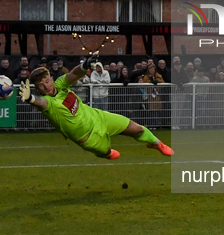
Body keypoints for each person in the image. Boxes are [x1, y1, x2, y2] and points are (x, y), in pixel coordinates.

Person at [19, 52, 173, 160]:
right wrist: (30, 99)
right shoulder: (49, 102)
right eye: (41, 85)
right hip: (89, 138)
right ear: (37, 89)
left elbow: (74, 74)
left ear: (51, 79)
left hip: (98, 117)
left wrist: (85, 64)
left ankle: (157, 144)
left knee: (135, 128)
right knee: (106, 153)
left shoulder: (60, 84)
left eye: (47, 81)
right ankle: (107, 153)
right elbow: (41, 103)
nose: (46, 86)